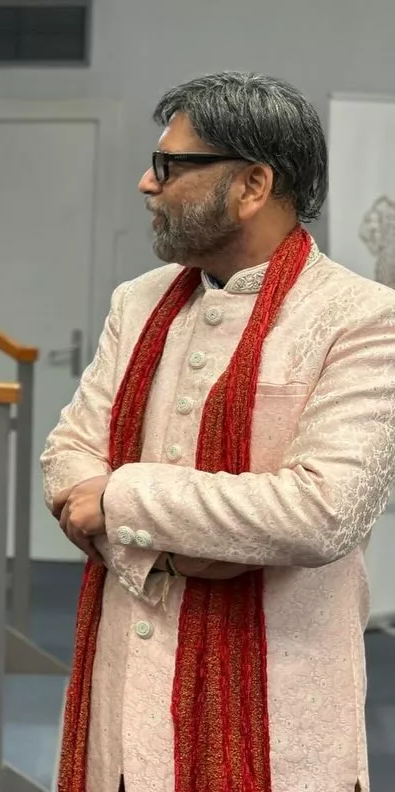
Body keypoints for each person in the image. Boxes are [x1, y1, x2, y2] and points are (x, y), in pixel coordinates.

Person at [41, 71, 395, 792]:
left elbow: (318, 514)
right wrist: (197, 551)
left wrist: (121, 500)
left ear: (253, 185)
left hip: (281, 720)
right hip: (125, 707)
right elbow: (66, 458)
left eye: (171, 166)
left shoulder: (361, 319)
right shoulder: (137, 302)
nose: (147, 182)